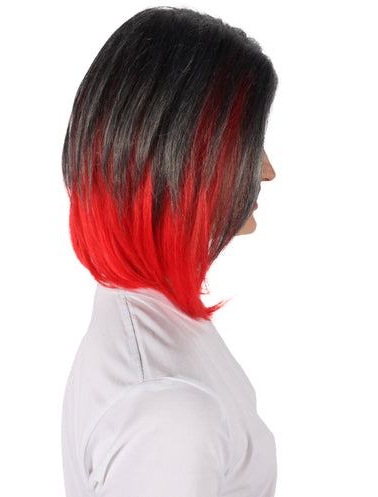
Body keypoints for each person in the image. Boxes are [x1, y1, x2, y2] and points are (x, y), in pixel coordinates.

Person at [61, 6, 278, 497]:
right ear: (184, 162)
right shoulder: (166, 409)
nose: (267, 170)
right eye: (250, 143)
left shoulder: (144, 306)